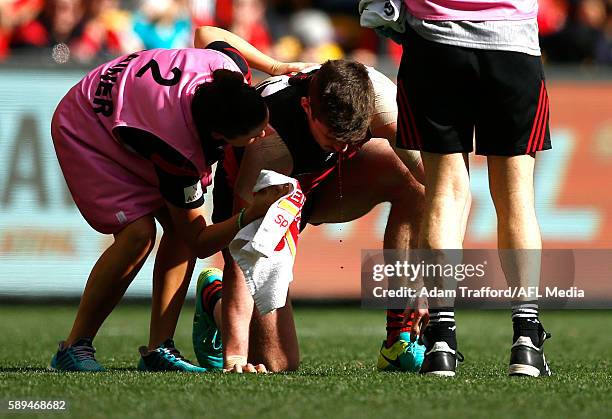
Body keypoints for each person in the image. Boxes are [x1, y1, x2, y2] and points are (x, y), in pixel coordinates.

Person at [49, 25, 308, 372]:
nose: (267, 134)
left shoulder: (227, 69)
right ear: (219, 136)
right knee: (139, 236)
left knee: (176, 229)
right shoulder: (179, 153)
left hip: (130, 111)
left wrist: (274, 66)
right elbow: (199, 242)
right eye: (256, 133)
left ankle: (159, 350)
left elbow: (207, 32)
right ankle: (74, 346)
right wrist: (252, 214)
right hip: (86, 128)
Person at [190, 57, 436, 373]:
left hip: (323, 184)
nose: (344, 146)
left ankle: (399, 336)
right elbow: (243, 249)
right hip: (269, 201)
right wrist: (236, 356)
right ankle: (214, 296)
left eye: (351, 139)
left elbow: (438, 189)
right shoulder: (270, 146)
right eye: (333, 138)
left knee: (412, 181)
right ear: (307, 107)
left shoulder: (381, 100)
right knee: (277, 363)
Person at [386, 0, 553, 377]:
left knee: (444, 193)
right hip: (511, 42)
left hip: (434, 42)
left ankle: (441, 342)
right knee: (517, 200)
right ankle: (527, 341)